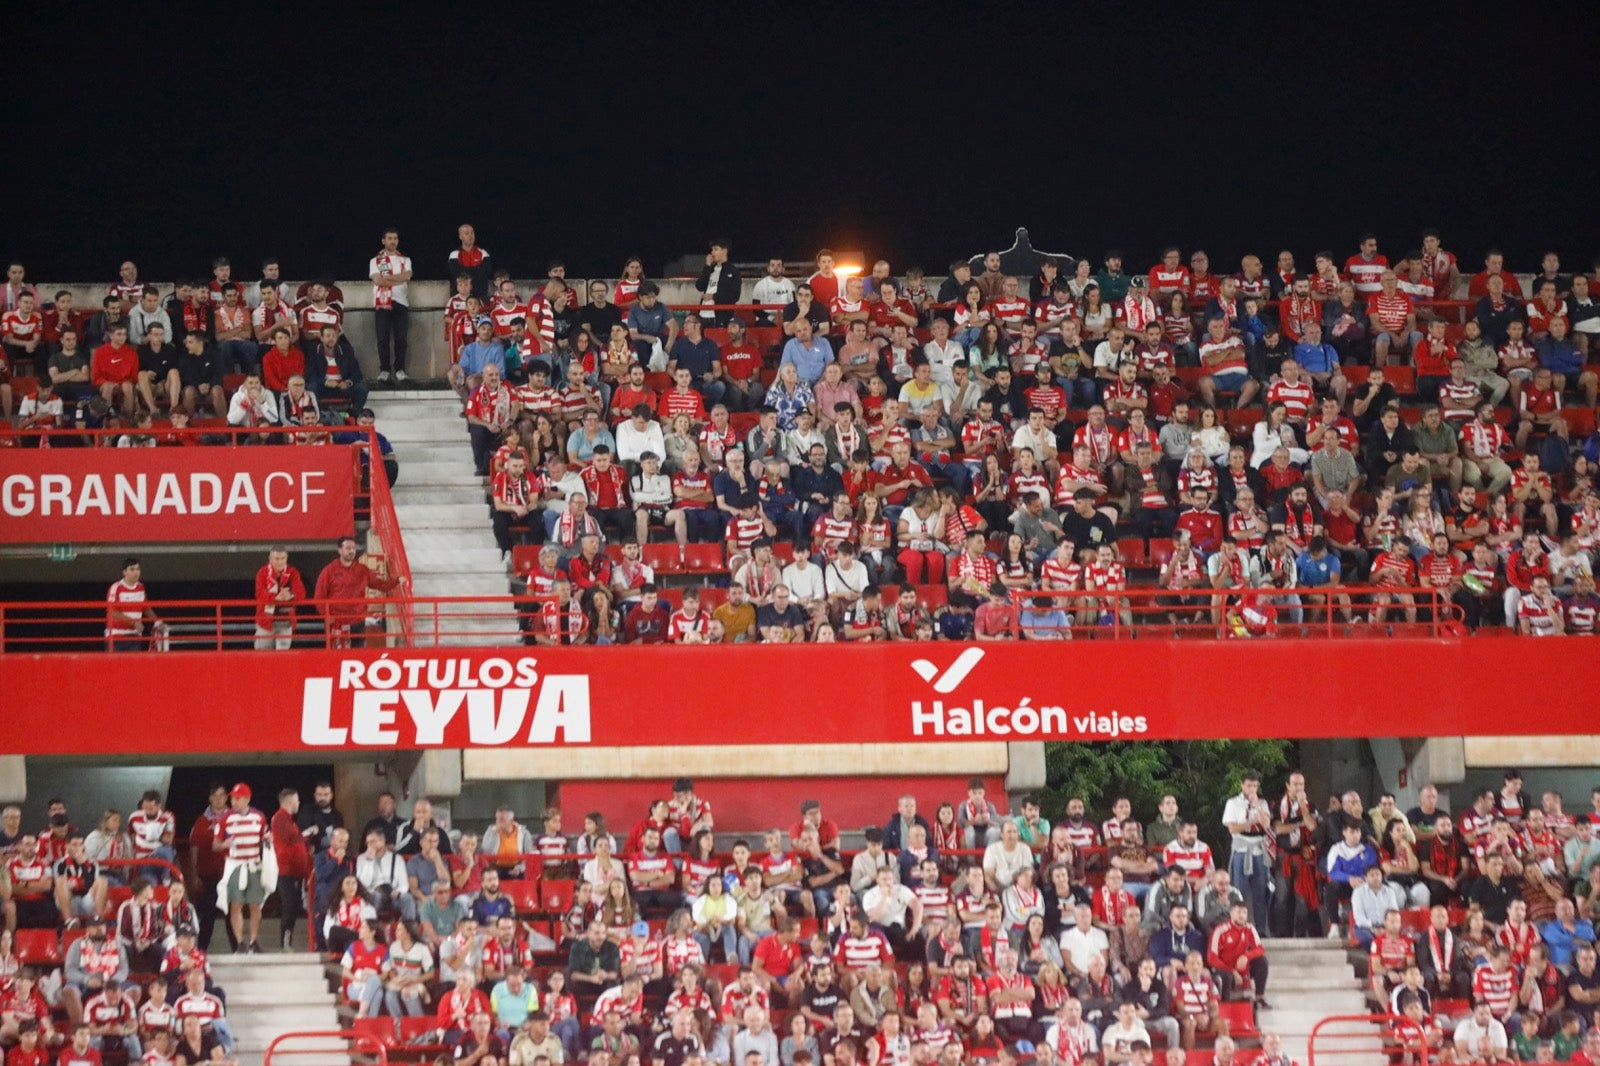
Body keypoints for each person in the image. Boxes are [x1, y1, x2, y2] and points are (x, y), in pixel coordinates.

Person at [314, 536, 406, 646]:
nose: (352, 551)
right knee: (337, 656)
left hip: (358, 621)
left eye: (353, 548)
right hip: (337, 622)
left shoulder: (362, 570)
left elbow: (381, 585)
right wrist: (327, 616)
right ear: (339, 550)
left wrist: (397, 581)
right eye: (348, 548)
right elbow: (319, 597)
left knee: (358, 654)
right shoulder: (328, 571)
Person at [369, 228, 413, 383]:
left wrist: (387, 278)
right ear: (383, 241)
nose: (393, 241)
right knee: (382, 338)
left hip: (401, 301)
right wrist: (397, 279)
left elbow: (407, 276)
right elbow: (378, 280)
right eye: (389, 238)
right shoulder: (375, 260)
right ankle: (385, 370)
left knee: (401, 338)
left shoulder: (405, 259)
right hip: (382, 302)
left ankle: (400, 369)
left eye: (395, 238)